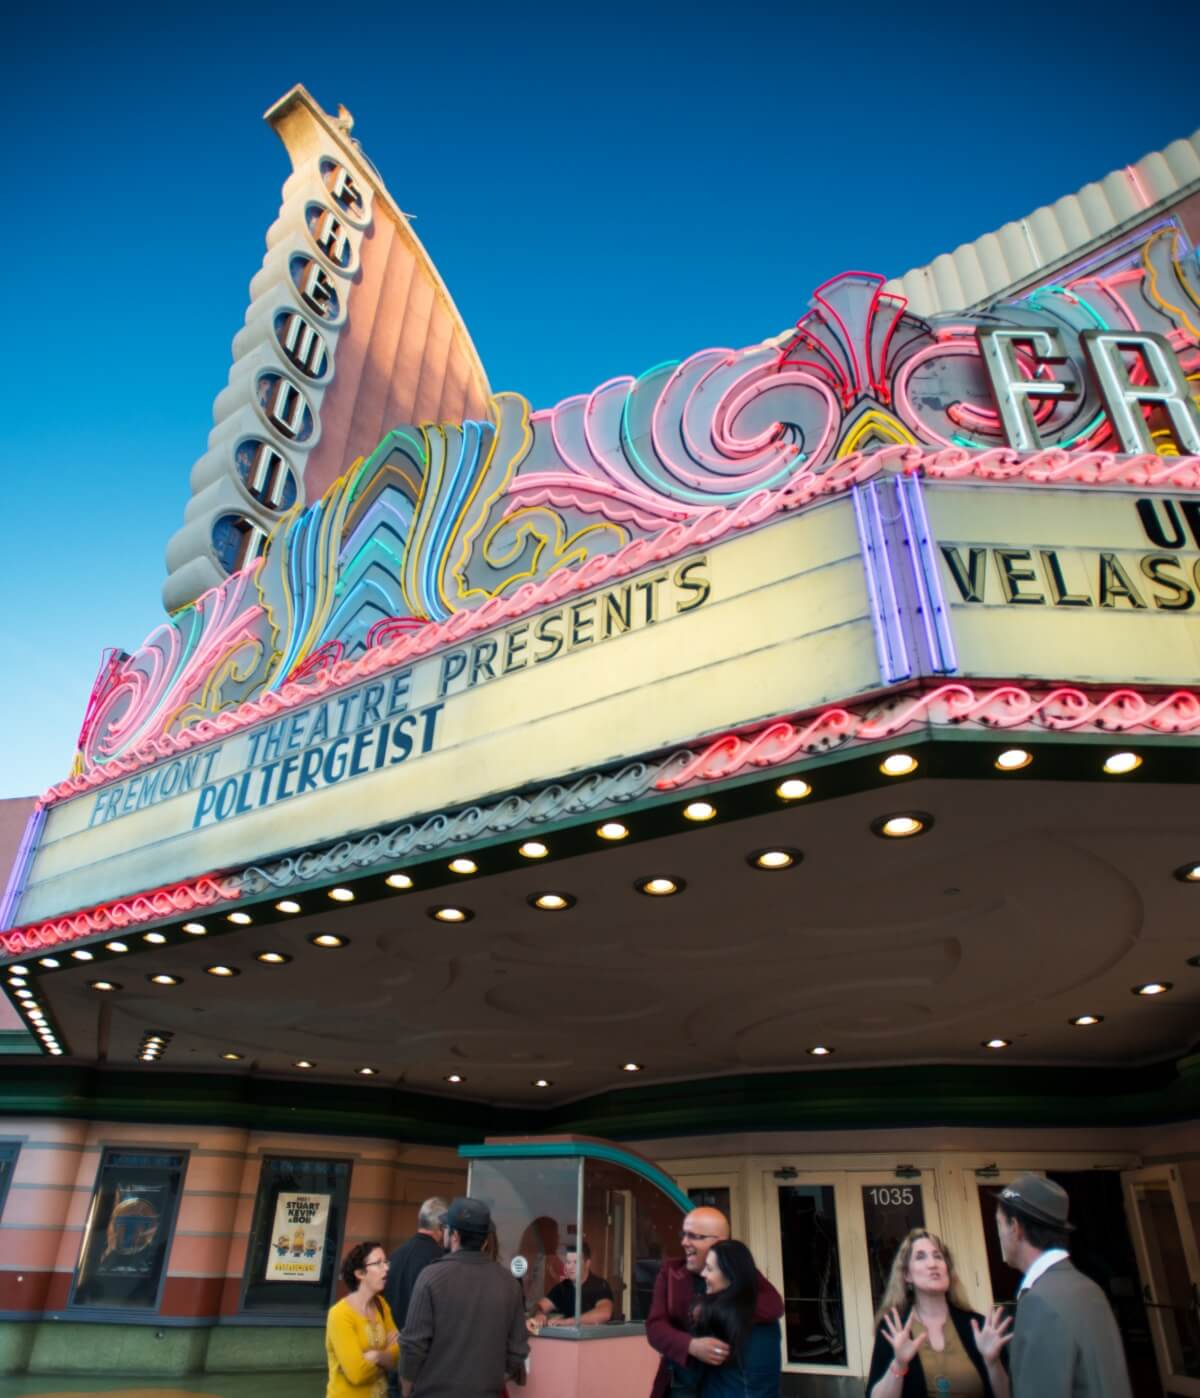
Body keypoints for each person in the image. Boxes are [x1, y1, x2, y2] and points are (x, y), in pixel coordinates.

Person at [994, 1174, 1132, 1398]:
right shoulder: (1089, 1289)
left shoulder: (1039, 1301)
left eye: (998, 1223)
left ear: (1014, 1227)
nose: (998, 1235)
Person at [646, 1205, 784, 1398]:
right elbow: (655, 1327)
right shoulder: (671, 1271)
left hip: (721, 1383)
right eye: (684, 1233)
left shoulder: (739, 1271)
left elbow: (773, 1305)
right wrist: (691, 1345)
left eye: (694, 1236)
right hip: (680, 1384)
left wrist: (710, 1310)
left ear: (721, 1242)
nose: (684, 1242)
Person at [399, 1196, 528, 1398]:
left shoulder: (431, 1276)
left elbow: (412, 1347)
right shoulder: (509, 1284)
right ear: (485, 1240)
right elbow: (518, 1350)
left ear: (454, 1235)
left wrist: (406, 1392)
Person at [866, 1228, 1011, 1398]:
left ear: (947, 1269)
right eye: (920, 1257)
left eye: (938, 1256)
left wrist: (993, 1363)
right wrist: (899, 1364)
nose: (932, 1264)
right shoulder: (894, 1328)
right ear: (907, 1275)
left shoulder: (978, 1327)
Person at [673, 1239, 781, 1396]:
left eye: (709, 1269)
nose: (703, 1274)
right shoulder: (767, 1317)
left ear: (730, 1276)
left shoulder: (717, 1319)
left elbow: (688, 1376)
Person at [383, 1197, 448, 1396]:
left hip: (393, 1351)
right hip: (423, 1359)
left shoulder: (395, 1255)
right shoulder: (440, 1261)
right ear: (441, 1227)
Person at [326, 1240, 400, 1398]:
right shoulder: (340, 1314)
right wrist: (386, 1354)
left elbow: (399, 1356)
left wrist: (376, 1356)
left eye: (386, 1262)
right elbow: (356, 1373)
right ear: (360, 1273)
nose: (386, 1268)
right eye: (378, 1263)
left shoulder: (381, 1305)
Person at [528, 1240, 614, 1331]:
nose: (570, 1267)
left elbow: (604, 1313)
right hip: (569, 1342)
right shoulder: (563, 1287)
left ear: (587, 1264)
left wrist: (566, 1322)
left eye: (576, 1262)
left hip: (595, 1341)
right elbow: (539, 1306)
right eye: (568, 1262)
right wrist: (539, 1314)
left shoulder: (600, 1285)